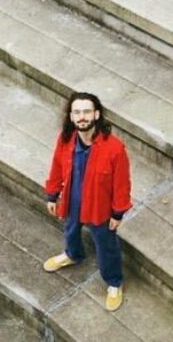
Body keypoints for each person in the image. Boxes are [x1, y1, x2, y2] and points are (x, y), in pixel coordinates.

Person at [43, 92, 132, 311]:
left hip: (99, 206)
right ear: (71, 116)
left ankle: (114, 282)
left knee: (106, 244)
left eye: (86, 112)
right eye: (77, 112)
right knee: (70, 229)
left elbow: (122, 184)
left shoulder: (115, 148)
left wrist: (118, 212)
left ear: (96, 115)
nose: (82, 117)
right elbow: (56, 167)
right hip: (72, 198)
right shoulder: (65, 139)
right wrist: (52, 194)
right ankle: (73, 255)